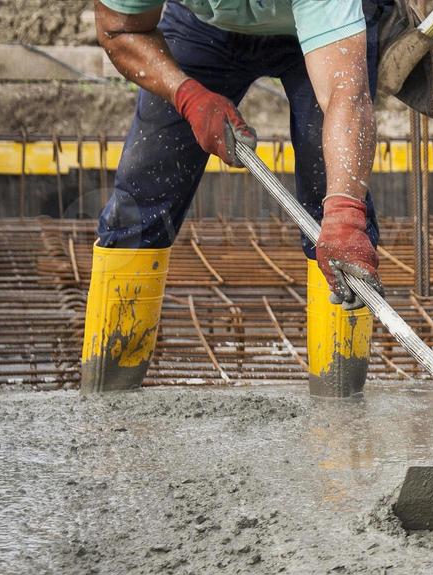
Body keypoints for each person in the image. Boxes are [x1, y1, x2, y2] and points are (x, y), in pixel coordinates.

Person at [81, 0, 388, 398]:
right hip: (201, 30)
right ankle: (108, 401)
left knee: (335, 198)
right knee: (141, 197)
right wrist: (186, 94)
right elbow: (120, 29)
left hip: (320, 26)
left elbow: (345, 94)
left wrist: (346, 214)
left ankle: (341, 409)